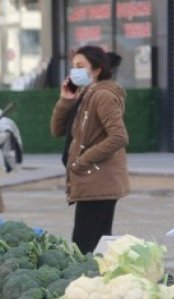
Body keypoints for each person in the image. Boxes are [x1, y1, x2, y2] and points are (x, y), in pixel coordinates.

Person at [50, 46, 129, 254]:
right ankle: (100, 283)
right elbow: (57, 130)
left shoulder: (102, 95)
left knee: (82, 247)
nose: (74, 71)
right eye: (73, 66)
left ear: (96, 70)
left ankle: (87, 283)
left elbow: (119, 136)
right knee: (97, 248)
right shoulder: (85, 95)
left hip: (98, 181)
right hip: (92, 182)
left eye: (80, 66)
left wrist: (82, 160)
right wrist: (66, 101)